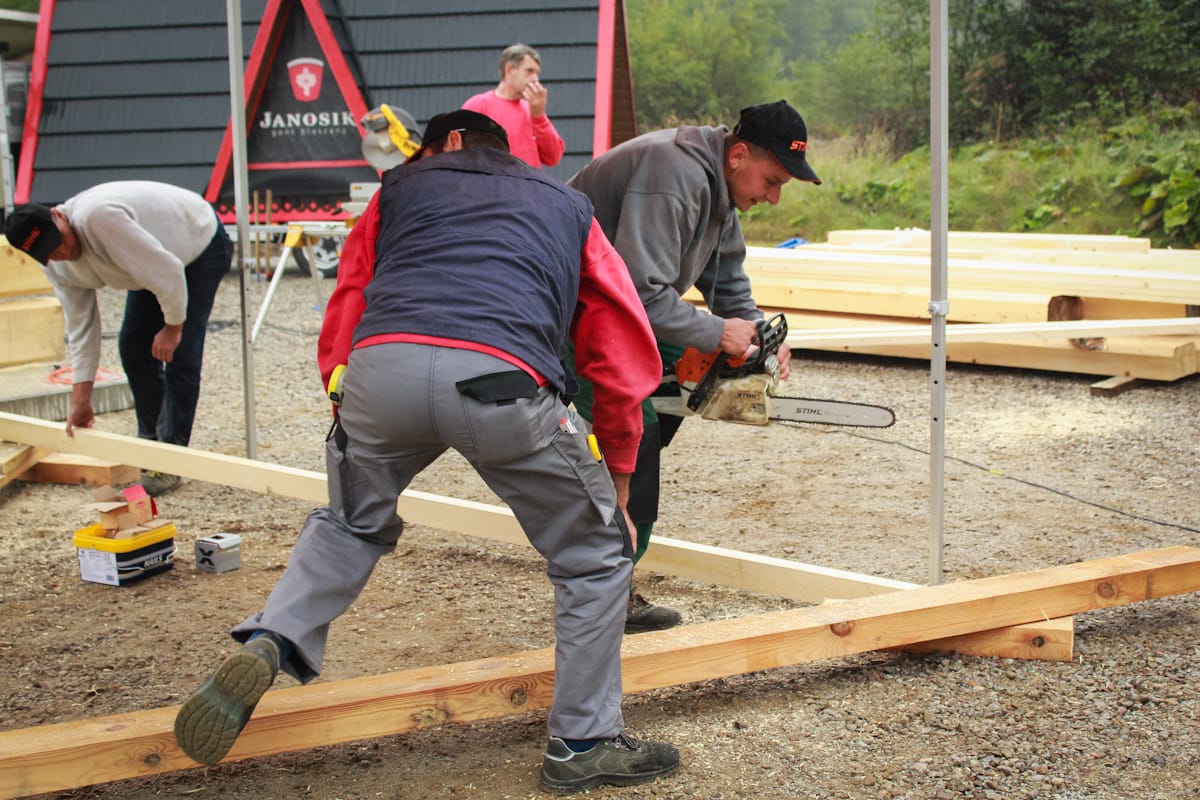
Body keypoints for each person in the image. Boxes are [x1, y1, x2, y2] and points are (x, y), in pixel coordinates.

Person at [173, 110, 680, 793]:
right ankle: (584, 741)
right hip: (503, 383)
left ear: (445, 144)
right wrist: (618, 474)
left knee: (350, 522)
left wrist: (347, 417)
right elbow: (617, 347)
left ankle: (275, 636)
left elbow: (348, 300)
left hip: (381, 373)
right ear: (506, 152)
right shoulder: (568, 205)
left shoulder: (398, 191)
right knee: (595, 557)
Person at [565, 100, 822, 633]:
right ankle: (607, 591)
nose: (772, 197)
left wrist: (756, 333)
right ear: (739, 153)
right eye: (771, 180)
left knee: (665, 403)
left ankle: (610, 571)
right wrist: (715, 332)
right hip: (573, 313)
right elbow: (638, 291)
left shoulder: (721, 191)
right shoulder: (673, 173)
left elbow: (728, 286)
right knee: (636, 436)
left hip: (611, 312)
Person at [3, 181, 233, 497]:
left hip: (197, 242)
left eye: (61, 241)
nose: (64, 252)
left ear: (59, 215)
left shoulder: (100, 219)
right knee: (133, 346)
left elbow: (167, 271)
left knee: (180, 353)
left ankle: (170, 459)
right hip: (147, 262)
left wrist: (173, 328)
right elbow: (82, 327)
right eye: (51, 253)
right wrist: (81, 400)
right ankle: (149, 443)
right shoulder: (57, 266)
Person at [462, 43, 565, 169]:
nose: (535, 79)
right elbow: (460, 153)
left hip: (529, 187)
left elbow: (553, 157)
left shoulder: (532, 109)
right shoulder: (478, 105)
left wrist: (539, 117)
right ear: (509, 69)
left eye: (537, 73)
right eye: (529, 71)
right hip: (492, 184)